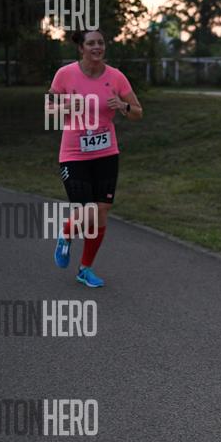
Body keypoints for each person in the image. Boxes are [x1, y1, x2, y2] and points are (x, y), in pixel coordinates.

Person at [49, 29, 143, 287]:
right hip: (74, 154)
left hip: (106, 153)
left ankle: (85, 268)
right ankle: (66, 234)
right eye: (91, 43)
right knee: (86, 211)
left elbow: (138, 112)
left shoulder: (116, 77)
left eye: (100, 42)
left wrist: (122, 106)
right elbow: (48, 108)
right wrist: (67, 106)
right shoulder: (65, 74)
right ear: (81, 48)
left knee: (101, 212)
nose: (97, 47)